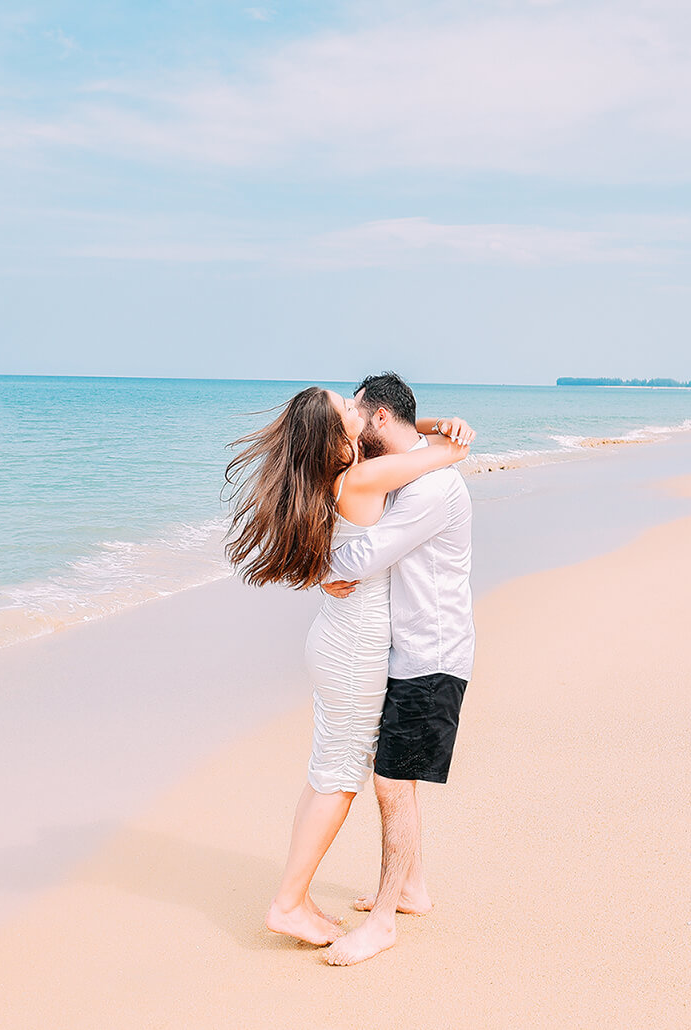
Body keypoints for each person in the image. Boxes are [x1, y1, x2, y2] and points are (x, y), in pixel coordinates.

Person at [224, 384, 475, 947]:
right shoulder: (362, 477)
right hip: (358, 644)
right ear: (339, 437)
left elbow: (404, 440)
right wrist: (447, 430)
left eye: (361, 407)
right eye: (348, 411)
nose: (357, 414)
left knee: (328, 769)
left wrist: (428, 420)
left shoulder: (345, 473)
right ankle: (288, 902)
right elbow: (448, 453)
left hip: (342, 639)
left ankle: (311, 896)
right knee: (341, 776)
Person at [317, 371, 475, 967]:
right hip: (411, 648)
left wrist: (316, 567)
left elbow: (365, 555)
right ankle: (412, 889)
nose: (354, 430)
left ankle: (383, 920)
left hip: (432, 655)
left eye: (359, 418)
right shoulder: (418, 471)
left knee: (390, 781)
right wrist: (438, 428)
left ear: (381, 418)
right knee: (398, 776)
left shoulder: (432, 488)